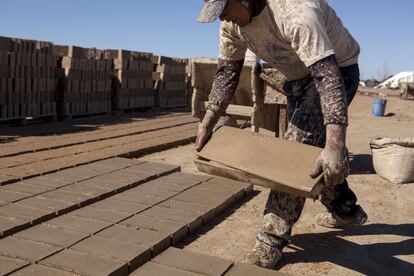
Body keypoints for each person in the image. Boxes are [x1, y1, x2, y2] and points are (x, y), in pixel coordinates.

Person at [195, 0, 368, 269]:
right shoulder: (232, 23)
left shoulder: (297, 12)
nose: (224, 18)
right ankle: (346, 210)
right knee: (312, 153)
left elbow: (327, 77)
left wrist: (336, 143)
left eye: (225, 10)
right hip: (296, 77)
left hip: (337, 71)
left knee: (295, 152)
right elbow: (227, 72)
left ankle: (270, 241)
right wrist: (207, 121)